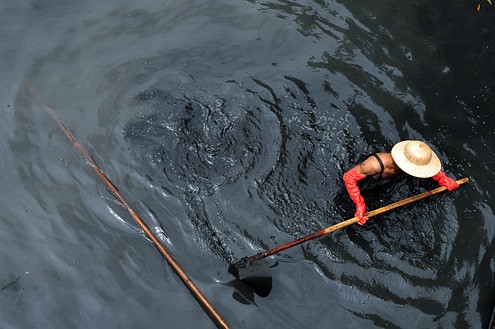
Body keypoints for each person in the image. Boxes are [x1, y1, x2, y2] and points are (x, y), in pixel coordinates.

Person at [342, 140, 459, 225]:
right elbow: (348, 178)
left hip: (390, 177)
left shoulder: (418, 152)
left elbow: (425, 166)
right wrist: (360, 204)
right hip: (370, 179)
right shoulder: (373, 165)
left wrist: (443, 179)